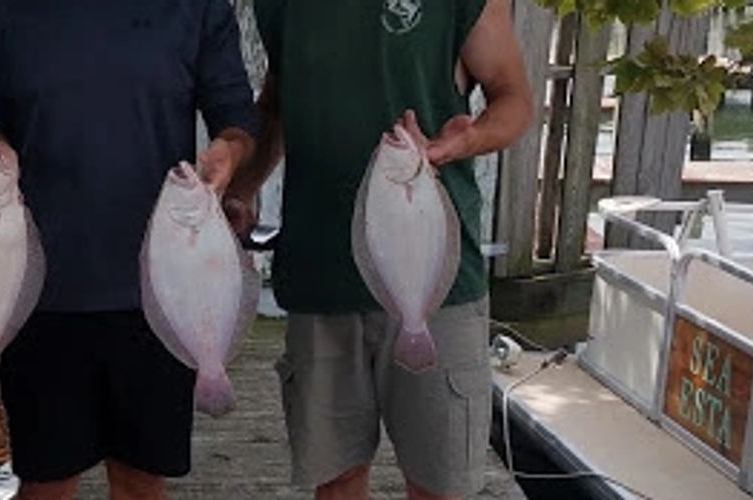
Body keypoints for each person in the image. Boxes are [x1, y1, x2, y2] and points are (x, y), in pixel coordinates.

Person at [225, 0, 533, 499]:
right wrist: (241, 188)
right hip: (320, 272)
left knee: (442, 484)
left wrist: (469, 138)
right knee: (337, 481)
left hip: (437, 282)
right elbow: (278, 104)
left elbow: (514, 97)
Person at [0, 0, 258, 498]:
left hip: (165, 291)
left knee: (141, 481)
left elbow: (236, 113)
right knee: (45, 483)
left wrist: (229, 150)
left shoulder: (199, 9)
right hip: (34, 288)